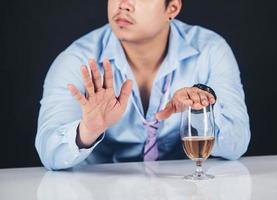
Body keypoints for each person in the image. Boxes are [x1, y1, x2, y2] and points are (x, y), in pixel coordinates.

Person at [35, 0, 250, 170]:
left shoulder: (210, 50)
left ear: (172, 8)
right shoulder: (78, 60)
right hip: (97, 190)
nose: (124, 4)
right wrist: (87, 131)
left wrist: (201, 108)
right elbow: (49, 152)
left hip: (183, 189)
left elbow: (237, 144)